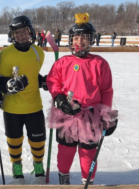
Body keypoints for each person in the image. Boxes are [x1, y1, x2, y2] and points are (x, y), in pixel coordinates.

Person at [46, 13, 118, 185]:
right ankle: (64, 177)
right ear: (71, 40)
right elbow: (53, 82)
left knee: (88, 152)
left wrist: (106, 114)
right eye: (76, 38)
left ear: (91, 40)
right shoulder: (63, 62)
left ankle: (88, 181)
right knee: (65, 150)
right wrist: (59, 99)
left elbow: (106, 90)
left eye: (84, 38)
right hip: (68, 114)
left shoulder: (100, 63)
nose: (80, 42)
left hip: (91, 115)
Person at [0, 15, 47, 184]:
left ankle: (38, 165)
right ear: (12, 35)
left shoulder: (38, 52)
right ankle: (16, 166)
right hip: (12, 108)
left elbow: (32, 76)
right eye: (17, 33)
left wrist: (45, 81)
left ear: (31, 32)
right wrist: (9, 85)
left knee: (38, 140)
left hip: (34, 106)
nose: (22, 36)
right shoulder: (6, 54)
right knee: (14, 140)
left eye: (25, 32)